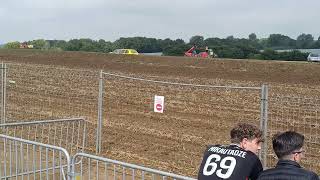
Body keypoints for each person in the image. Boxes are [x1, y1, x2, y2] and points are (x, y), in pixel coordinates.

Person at [198, 123, 264, 180]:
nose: (259, 147)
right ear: (245, 142)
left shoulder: (210, 150)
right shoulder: (251, 158)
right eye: (257, 143)